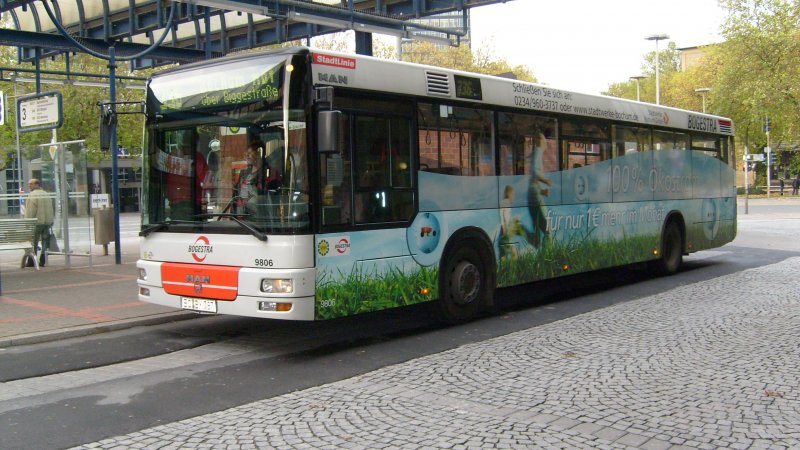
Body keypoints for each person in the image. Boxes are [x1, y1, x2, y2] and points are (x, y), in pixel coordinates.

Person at [234, 140, 281, 214]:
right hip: (242, 216)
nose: (247, 156)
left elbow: (271, 198)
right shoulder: (244, 173)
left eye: (250, 153)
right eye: (246, 153)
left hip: (259, 217)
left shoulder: (270, 173)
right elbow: (237, 193)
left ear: (259, 153)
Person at [527, 129, 553, 248]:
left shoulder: (535, 153)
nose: (546, 142)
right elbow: (535, 173)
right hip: (535, 194)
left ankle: (524, 234)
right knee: (548, 229)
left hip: (533, 194)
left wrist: (542, 191)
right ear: (539, 141)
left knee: (537, 230)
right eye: (544, 140)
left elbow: (533, 180)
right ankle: (547, 258)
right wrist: (546, 181)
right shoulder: (537, 151)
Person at [24, 178, 55, 267]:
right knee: (45, 241)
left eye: (31, 184)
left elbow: (30, 211)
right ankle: (43, 259)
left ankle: (31, 260)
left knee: (33, 242)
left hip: (36, 223)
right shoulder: (46, 194)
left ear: (37, 184)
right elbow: (51, 209)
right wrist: (51, 221)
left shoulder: (32, 195)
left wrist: (28, 223)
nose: (29, 185)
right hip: (46, 222)